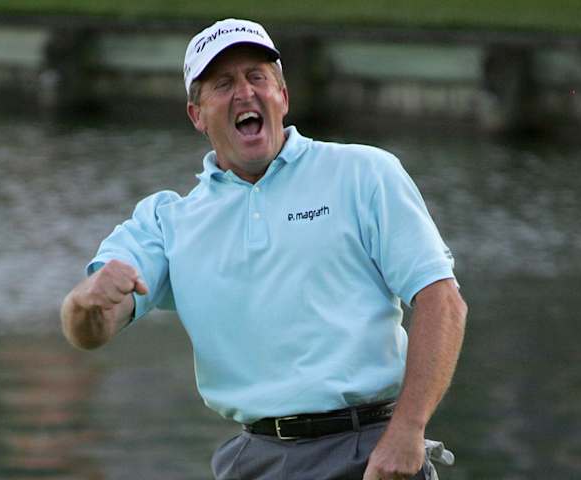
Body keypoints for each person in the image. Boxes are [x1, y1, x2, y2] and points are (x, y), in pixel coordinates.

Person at [60, 18, 467, 480]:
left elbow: (442, 301)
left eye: (257, 77)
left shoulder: (364, 174)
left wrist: (408, 430)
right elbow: (91, 330)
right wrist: (84, 302)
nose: (244, 92)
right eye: (223, 84)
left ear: (283, 97)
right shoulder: (166, 222)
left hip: (370, 451)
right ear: (196, 115)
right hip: (255, 459)